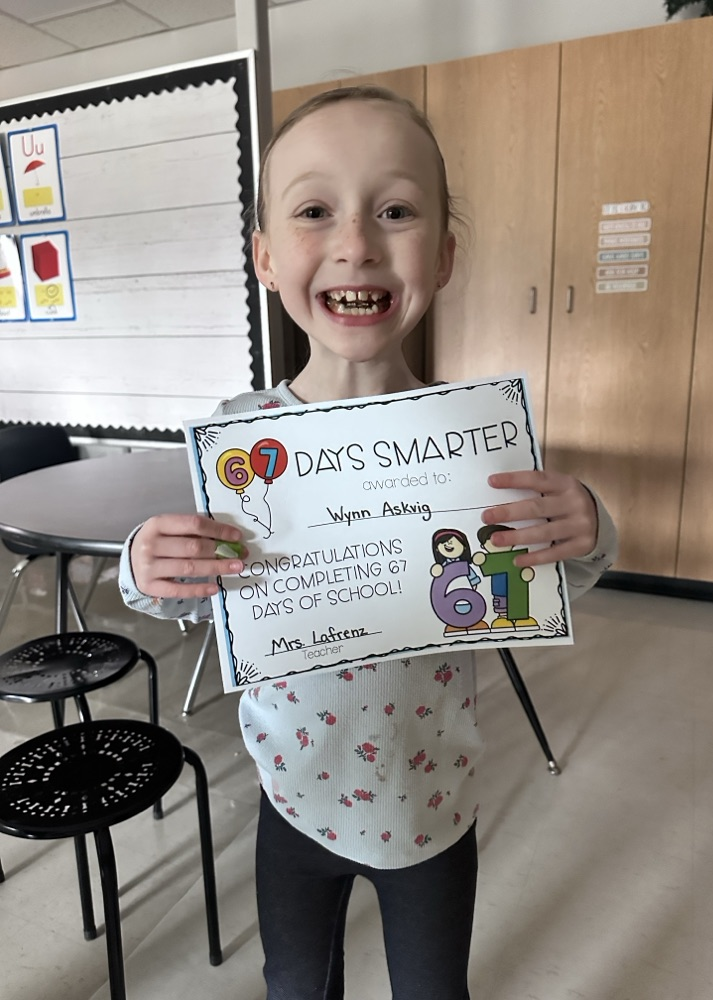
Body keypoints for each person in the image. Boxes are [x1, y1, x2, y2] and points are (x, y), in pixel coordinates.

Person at [119, 86, 618, 1000]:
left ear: (446, 254)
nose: (356, 243)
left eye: (395, 210)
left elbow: (554, 571)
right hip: (291, 801)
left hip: (433, 807)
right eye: (315, 211)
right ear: (267, 258)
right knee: (295, 986)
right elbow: (182, 586)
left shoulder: (473, 444)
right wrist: (146, 564)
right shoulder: (239, 439)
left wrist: (586, 526)